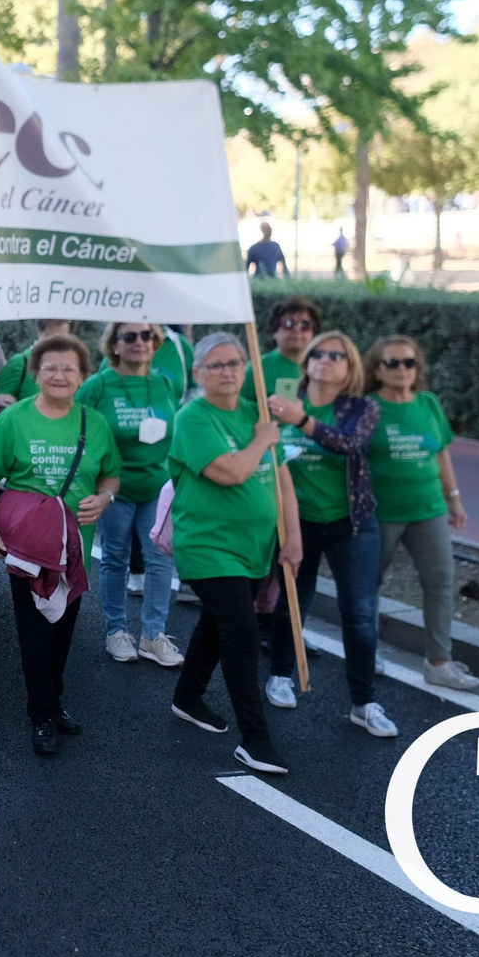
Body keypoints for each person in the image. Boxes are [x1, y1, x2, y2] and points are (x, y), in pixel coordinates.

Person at [0, 334, 121, 755]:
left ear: (83, 376)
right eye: (50, 368)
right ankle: (41, 712)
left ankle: (52, 700)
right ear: (35, 373)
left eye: (69, 369)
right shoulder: (13, 420)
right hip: (29, 543)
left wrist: (105, 497)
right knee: (35, 624)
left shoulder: (94, 423)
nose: (59, 375)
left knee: (64, 624)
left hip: (74, 545)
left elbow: (111, 474)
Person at [166, 332, 299, 776]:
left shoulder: (254, 413)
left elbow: (281, 480)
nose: (228, 372)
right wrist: (263, 438)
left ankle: (188, 696)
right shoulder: (192, 417)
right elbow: (232, 473)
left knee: (216, 622)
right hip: (207, 547)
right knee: (241, 630)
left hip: (255, 549)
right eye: (217, 365)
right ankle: (256, 740)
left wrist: (293, 537)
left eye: (235, 364)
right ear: (199, 373)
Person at [264, 330, 395, 735]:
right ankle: (282, 674)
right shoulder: (283, 402)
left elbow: (348, 443)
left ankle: (364, 701)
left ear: (350, 366)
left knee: (357, 614)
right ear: (306, 360)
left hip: (350, 524)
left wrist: (300, 421)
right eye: (318, 353)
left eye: (336, 355)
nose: (325, 359)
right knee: (291, 605)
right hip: (296, 523)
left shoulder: (362, 407)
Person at [367, 336, 477, 694]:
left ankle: (439, 663)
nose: (403, 370)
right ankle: (365, 655)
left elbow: (441, 454)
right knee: (369, 586)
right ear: (377, 369)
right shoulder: (367, 408)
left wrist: (454, 499)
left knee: (441, 583)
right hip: (381, 512)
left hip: (427, 510)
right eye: (393, 363)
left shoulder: (428, 403)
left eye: (409, 363)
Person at [77, 323, 185, 666]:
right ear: (115, 345)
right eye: (130, 336)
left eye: (147, 336)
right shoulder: (98, 385)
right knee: (115, 559)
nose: (141, 342)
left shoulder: (164, 382)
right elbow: (77, 428)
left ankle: (153, 636)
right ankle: (116, 631)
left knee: (159, 560)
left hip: (157, 488)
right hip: (114, 488)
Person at [241, 296, 320, 405]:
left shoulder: (322, 368)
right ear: (275, 331)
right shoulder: (256, 369)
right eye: (289, 323)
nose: (297, 330)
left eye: (305, 325)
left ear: (313, 333)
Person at [0, 319, 72, 406]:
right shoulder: (20, 362)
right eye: (50, 337)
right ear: (39, 335)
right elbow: (2, 403)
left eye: (62, 339)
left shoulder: (71, 365)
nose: (56, 343)